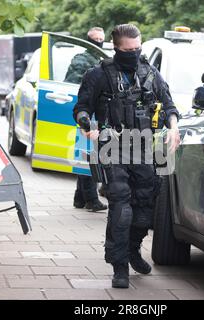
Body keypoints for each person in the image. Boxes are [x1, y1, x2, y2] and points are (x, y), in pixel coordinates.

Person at [73, 24, 180, 288]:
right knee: (121, 207)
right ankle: (119, 265)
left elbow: (168, 105)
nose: (134, 53)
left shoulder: (150, 72)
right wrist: (86, 124)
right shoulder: (98, 74)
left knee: (146, 207)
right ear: (116, 48)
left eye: (137, 48)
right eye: (128, 50)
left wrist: (174, 127)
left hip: (145, 145)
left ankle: (133, 249)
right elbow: (82, 107)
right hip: (112, 145)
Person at [69, 27, 108, 212]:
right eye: (96, 40)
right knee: (88, 155)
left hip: (95, 112)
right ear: (89, 41)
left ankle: (79, 198)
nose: (99, 42)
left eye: (102, 39)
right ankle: (91, 199)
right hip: (86, 112)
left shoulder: (102, 60)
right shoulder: (81, 60)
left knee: (87, 154)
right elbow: (75, 84)